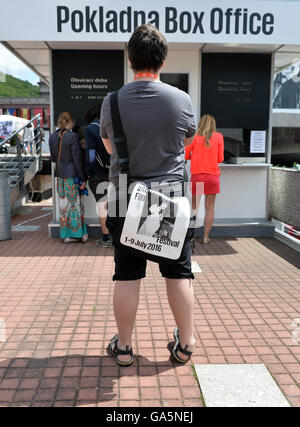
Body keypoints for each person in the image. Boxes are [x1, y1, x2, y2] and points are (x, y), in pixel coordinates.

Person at [100, 24, 197, 366]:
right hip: (170, 199)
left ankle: (124, 348)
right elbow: (184, 143)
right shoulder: (181, 99)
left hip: (126, 199)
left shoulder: (111, 101)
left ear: (130, 59)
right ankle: (185, 345)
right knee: (179, 272)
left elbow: (110, 147)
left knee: (127, 273)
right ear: (163, 59)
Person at [49, 112, 88, 244]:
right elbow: (77, 159)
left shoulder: (53, 137)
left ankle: (66, 234)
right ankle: (77, 234)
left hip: (60, 175)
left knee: (63, 206)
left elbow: (53, 158)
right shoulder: (73, 136)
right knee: (75, 205)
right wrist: (83, 178)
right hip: (72, 175)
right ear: (70, 122)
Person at [185, 114, 224, 244]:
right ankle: (206, 237)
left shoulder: (195, 137)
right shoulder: (219, 137)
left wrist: (194, 157)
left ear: (200, 124)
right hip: (212, 177)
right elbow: (220, 159)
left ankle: (190, 237)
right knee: (210, 208)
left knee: (194, 208)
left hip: (198, 177)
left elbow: (185, 155)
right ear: (213, 124)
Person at [84, 104, 111, 248]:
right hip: (114, 172)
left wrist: (88, 172)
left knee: (102, 206)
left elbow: (91, 154)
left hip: (99, 174)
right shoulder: (110, 126)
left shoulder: (91, 129)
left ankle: (106, 238)